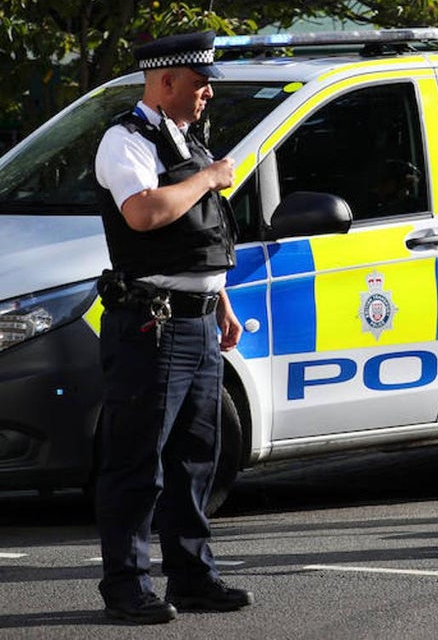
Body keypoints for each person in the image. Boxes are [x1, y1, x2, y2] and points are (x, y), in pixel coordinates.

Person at [92, 31, 252, 623]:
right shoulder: (125, 140)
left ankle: (192, 577)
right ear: (165, 83)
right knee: (137, 464)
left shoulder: (186, 138)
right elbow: (146, 213)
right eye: (199, 82)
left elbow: (200, 238)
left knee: (195, 460)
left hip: (199, 320)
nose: (208, 92)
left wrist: (222, 302)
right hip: (150, 326)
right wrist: (209, 178)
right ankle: (127, 587)